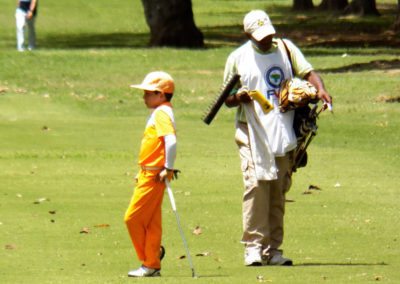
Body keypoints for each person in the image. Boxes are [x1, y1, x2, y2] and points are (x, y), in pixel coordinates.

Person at [223, 10, 332, 266]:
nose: (265, 40)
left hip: (283, 131)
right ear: (248, 34)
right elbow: (226, 99)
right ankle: (253, 247)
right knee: (256, 185)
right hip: (251, 130)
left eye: (268, 34)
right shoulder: (238, 58)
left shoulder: (285, 48)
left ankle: (273, 250)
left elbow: (308, 73)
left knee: (277, 190)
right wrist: (239, 98)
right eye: (259, 36)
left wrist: (321, 89)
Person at [124, 71, 177, 277]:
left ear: (161, 95)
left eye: (148, 93)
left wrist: (168, 168)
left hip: (155, 175)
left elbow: (170, 141)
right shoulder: (162, 111)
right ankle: (152, 263)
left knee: (133, 218)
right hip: (149, 173)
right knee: (152, 222)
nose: (144, 96)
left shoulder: (162, 113)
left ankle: (149, 259)